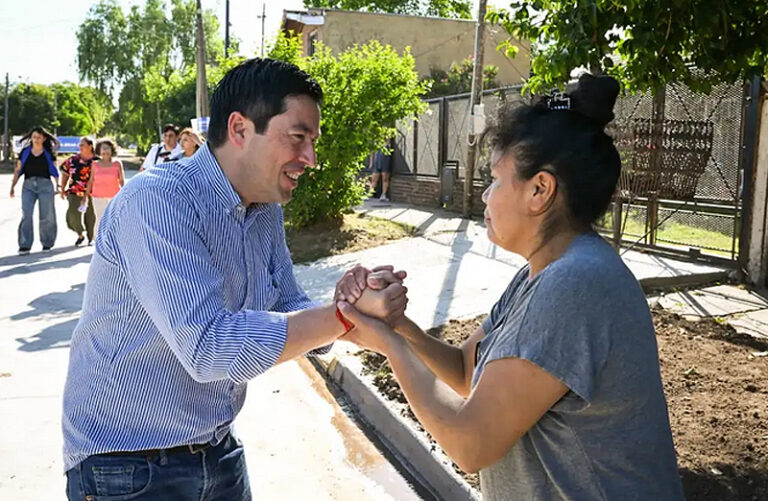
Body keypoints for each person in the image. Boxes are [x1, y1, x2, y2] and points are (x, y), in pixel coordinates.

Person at [62, 58, 408, 501]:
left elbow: (292, 313)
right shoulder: (158, 203)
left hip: (218, 452)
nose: (311, 159)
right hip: (126, 469)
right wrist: (341, 318)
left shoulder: (263, 210)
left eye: (313, 142)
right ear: (241, 129)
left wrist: (351, 301)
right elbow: (208, 348)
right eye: (298, 137)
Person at [337, 74, 685, 500]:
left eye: (496, 180)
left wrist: (389, 346)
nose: (485, 196)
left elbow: (470, 444)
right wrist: (399, 327)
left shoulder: (575, 284)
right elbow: (467, 372)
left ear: (540, 190)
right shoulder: (541, 274)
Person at [9, 126, 60, 254]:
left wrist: (58, 185)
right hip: (28, 186)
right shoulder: (25, 152)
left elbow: (54, 170)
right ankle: (25, 244)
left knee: (46, 215)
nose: (36, 139)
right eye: (34, 137)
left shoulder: (48, 153)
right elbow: (18, 170)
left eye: (39, 137)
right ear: (31, 138)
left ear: (43, 139)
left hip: (45, 185)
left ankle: (47, 243)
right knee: (26, 214)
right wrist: (13, 186)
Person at [60, 136, 97, 247]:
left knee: (91, 216)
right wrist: (62, 188)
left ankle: (91, 238)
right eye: (79, 145)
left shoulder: (97, 161)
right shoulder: (73, 160)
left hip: (92, 192)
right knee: (72, 215)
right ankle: (80, 233)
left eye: (82, 145)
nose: (80, 147)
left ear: (90, 146)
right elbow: (65, 174)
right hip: (74, 191)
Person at [85, 138, 125, 236]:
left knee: (114, 219)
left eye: (107, 148)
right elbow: (90, 181)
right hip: (98, 196)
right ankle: (99, 242)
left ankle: (113, 241)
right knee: (100, 218)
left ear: (112, 150)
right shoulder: (95, 164)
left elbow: (121, 180)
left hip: (114, 196)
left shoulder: (117, 164)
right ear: (99, 151)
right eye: (103, 148)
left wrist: (124, 194)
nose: (105, 151)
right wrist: (85, 196)